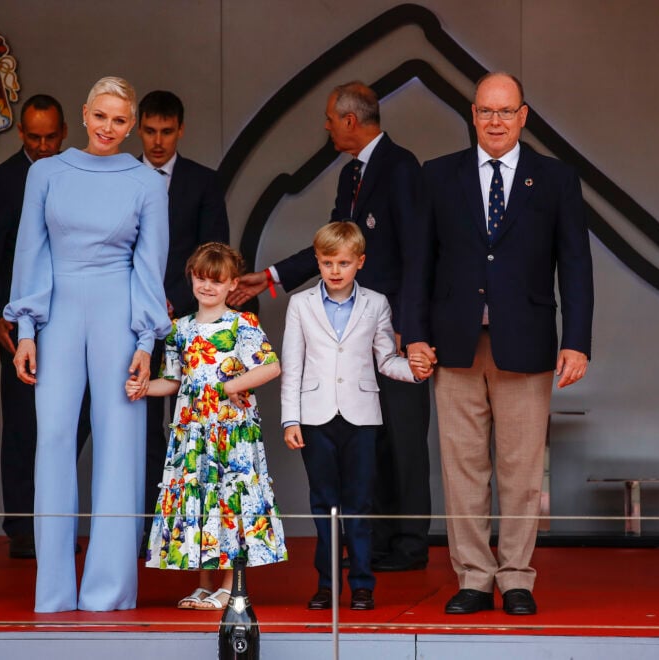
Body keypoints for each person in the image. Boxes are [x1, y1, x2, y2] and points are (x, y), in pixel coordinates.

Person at [402, 72, 594, 616]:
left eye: (505, 112)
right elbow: (419, 263)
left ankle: (515, 577)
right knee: (462, 468)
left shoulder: (555, 179)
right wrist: (414, 333)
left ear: (524, 116)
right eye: (486, 111)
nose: (495, 121)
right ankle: (473, 577)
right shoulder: (439, 175)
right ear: (472, 114)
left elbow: (575, 265)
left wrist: (577, 341)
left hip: (527, 344)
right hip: (454, 346)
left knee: (521, 469)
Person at [229, 81, 431, 573]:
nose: (325, 126)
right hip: (354, 337)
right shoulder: (351, 176)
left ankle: (408, 544)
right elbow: (332, 245)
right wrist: (272, 276)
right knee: (373, 438)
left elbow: (419, 251)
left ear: (349, 120)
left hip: (393, 330)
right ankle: (377, 543)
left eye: (329, 118)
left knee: (403, 437)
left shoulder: (401, 168)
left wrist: (410, 324)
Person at [4, 76, 169, 613]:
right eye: (101, 116)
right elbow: (31, 251)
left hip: (119, 317)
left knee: (120, 448)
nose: (109, 128)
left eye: (120, 120)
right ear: (84, 113)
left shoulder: (146, 182)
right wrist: (26, 330)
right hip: (57, 317)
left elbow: (151, 265)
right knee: (52, 440)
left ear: (131, 125)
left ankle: (108, 591)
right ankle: (53, 591)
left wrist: (146, 340)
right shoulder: (46, 174)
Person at [280, 222, 429, 612]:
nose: (335, 270)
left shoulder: (376, 303)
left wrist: (414, 370)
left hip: (362, 417)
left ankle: (362, 584)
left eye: (343, 262)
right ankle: (327, 585)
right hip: (314, 416)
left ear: (360, 262)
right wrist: (289, 419)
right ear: (317, 261)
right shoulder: (300, 304)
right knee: (323, 505)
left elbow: (386, 359)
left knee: (360, 505)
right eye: (327, 262)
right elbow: (291, 367)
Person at [130, 242, 286, 610]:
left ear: (233, 284)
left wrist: (231, 385)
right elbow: (172, 380)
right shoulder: (179, 329)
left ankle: (231, 585)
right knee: (199, 501)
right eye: (201, 278)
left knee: (229, 500)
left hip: (231, 432)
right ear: (192, 279)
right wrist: (143, 388)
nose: (207, 287)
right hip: (192, 432)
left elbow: (271, 366)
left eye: (216, 281)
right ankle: (204, 582)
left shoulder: (241, 324)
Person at [0, 94, 93, 560]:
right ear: (21, 133)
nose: (43, 146)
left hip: (77, 314)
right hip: (22, 321)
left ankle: (57, 518)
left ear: (64, 132)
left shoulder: (81, 173)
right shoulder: (0, 181)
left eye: (51, 136)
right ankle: (23, 528)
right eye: (34, 136)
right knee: (23, 425)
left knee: (77, 417)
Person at [135, 90, 230, 519]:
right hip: (129, 316)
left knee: (190, 420)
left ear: (181, 130)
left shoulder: (203, 181)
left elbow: (213, 252)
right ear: (139, 129)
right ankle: (144, 521)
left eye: (167, 132)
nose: (158, 141)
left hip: (185, 316)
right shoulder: (119, 175)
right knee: (137, 419)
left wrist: (178, 298)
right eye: (151, 131)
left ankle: (185, 517)